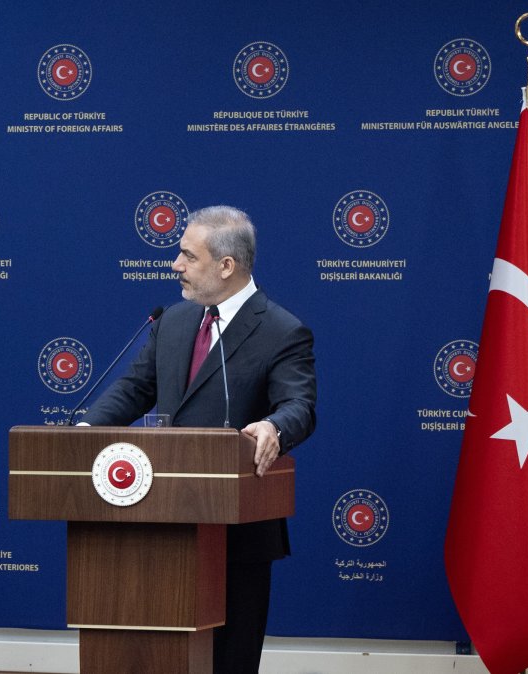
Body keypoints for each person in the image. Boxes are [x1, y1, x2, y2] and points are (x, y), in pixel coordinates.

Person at [80, 205, 316, 672]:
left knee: (228, 661)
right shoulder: (174, 320)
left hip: (236, 532)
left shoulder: (281, 330)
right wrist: (85, 433)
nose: (176, 265)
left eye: (188, 256)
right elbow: (135, 389)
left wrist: (273, 426)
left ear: (227, 266)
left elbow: (299, 407)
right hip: (160, 527)